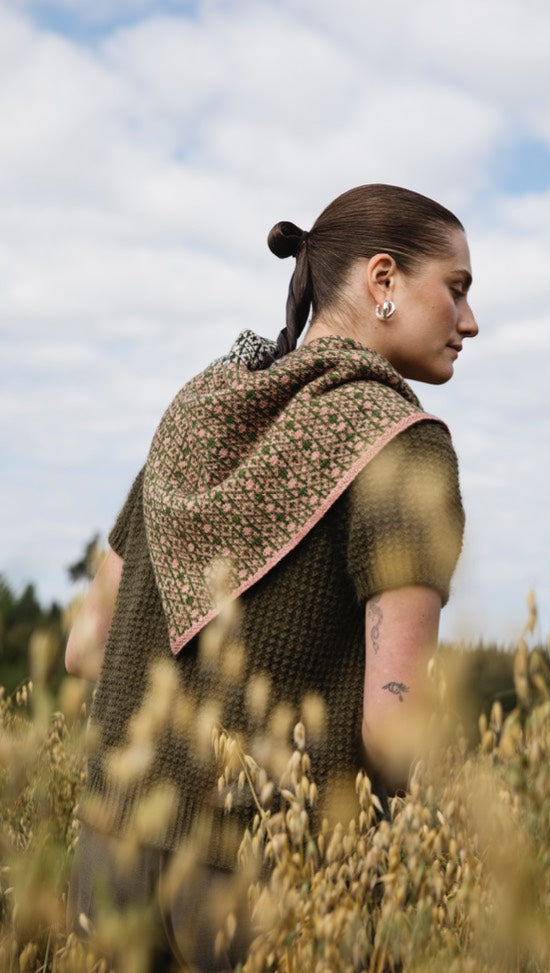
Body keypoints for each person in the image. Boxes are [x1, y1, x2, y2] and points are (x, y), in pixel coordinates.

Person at [65, 183, 478, 970]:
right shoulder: (403, 444)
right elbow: (394, 730)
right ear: (383, 279)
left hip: (107, 859)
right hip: (273, 890)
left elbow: (86, 645)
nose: (469, 321)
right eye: (455, 289)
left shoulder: (196, 410)